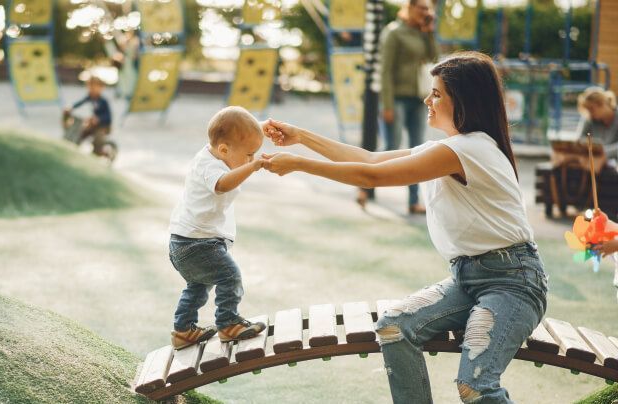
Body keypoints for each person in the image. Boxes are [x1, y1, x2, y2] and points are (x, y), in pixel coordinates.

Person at [261, 52, 547, 403]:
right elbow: (367, 159)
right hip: (467, 278)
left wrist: (301, 164)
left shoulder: (467, 150)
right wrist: (301, 137)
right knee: (394, 328)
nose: (428, 100)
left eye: (438, 93)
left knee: (475, 386)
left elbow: (371, 176)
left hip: (512, 282)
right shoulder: (446, 149)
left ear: (465, 100)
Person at [168, 106, 267, 350]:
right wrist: (253, 168)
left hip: (184, 242)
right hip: (197, 244)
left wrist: (256, 130)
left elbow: (235, 137)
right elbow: (222, 185)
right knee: (229, 276)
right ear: (223, 149)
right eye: (249, 154)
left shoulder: (216, 153)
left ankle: (183, 330)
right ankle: (228, 323)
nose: (251, 160)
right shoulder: (209, 167)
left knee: (198, 286)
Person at [373, 0, 438, 214]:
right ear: (409, 7)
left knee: (418, 150)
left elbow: (433, 58)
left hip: (419, 98)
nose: (425, 12)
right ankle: (365, 183)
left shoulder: (421, 33)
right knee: (392, 145)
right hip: (397, 98)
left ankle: (413, 201)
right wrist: (387, 104)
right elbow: (385, 71)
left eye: (427, 8)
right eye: (421, 8)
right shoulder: (393, 32)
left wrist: (429, 33)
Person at [63, 76, 113, 158]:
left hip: (103, 126)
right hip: (92, 124)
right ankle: (74, 149)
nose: (91, 89)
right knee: (79, 133)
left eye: (94, 87)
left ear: (101, 88)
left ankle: (103, 153)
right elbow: (80, 103)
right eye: (90, 87)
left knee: (98, 140)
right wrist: (71, 108)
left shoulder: (103, 101)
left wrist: (99, 119)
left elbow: (108, 117)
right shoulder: (89, 97)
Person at [577, 87, 618, 157]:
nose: (589, 114)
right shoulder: (590, 118)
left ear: (602, 104)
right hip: (593, 160)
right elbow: (580, 139)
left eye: (591, 109)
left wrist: (602, 152)